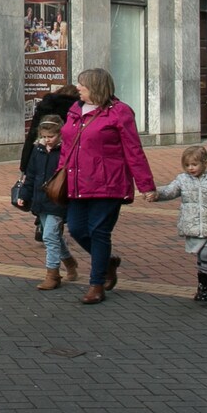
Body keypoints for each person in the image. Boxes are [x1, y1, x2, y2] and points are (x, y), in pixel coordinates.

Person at [58, 67, 156, 305]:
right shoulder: (74, 110)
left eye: (83, 84)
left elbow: (133, 151)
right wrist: (59, 175)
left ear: (96, 87)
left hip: (109, 182)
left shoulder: (119, 113)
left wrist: (146, 185)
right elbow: (67, 147)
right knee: (78, 229)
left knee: (99, 231)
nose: (78, 88)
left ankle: (96, 284)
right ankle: (107, 262)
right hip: (77, 182)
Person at [152, 144, 207, 303]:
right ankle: (201, 284)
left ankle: (206, 288)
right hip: (193, 224)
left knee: (205, 254)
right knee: (200, 255)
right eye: (187, 165)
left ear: (205, 163)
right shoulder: (183, 180)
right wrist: (155, 193)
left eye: (194, 164)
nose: (191, 168)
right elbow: (170, 191)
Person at [15, 114, 76, 290]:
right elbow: (31, 174)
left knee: (49, 235)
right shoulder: (38, 150)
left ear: (61, 134)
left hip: (57, 199)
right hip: (40, 199)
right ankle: (70, 262)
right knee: (54, 236)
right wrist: (24, 194)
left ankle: (53, 274)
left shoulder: (66, 151)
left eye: (51, 137)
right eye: (44, 137)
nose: (47, 140)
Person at [20, 82, 79, 165]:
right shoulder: (77, 109)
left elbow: (32, 135)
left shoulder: (46, 106)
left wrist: (24, 163)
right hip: (66, 155)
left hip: (40, 151)